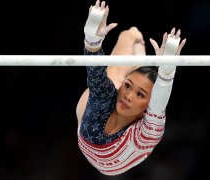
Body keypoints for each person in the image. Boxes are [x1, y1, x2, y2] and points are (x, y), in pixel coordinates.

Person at [76, 0, 186, 176]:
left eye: (140, 95)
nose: (128, 96)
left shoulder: (145, 133)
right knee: (120, 62)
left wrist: (167, 72)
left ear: (147, 108)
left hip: (90, 126)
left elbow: (159, 102)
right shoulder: (106, 97)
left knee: (118, 74)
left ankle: (136, 50)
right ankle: (134, 36)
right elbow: (94, 70)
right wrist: (92, 39)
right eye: (128, 87)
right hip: (94, 119)